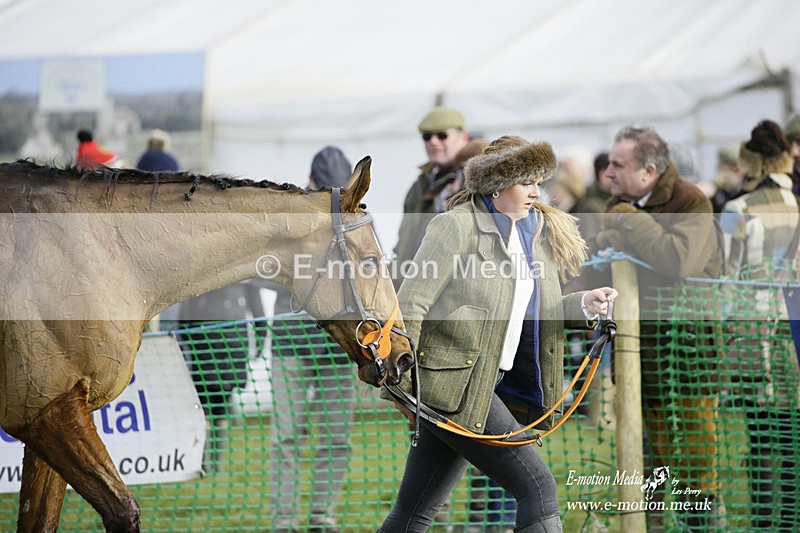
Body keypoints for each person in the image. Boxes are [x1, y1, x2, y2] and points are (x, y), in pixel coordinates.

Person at [379, 135, 617, 533]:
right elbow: (411, 306)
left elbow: (532, 313)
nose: (537, 193)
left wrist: (582, 305)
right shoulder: (454, 226)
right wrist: (402, 386)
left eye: (539, 182)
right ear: (498, 184)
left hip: (488, 384)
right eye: (528, 183)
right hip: (452, 388)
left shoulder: (532, 233)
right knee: (538, 488)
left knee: (413, 512)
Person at [586, 126, 725, 530]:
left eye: (617, 164)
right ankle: (652, 523)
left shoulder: (691, 202)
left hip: (689, 353)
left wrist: (628, 222)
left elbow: (677, 259)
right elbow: (597, 253)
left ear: (648, 171)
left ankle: (704, 523)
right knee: (647, 456)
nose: (608, 173)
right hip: (638, 351)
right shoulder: (621, 202)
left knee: (695, 455)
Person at [269, 145, 359, 533]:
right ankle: (284, 522)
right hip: (290, 344)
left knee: (337, 437)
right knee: (286, 436)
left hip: (339, 347)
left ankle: (323, 517)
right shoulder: (287, 221)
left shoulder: (355, 221)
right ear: (309, 183)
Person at [719, 120, 800, 530]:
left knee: (760, 435)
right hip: (794, 333)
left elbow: (725, 280)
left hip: (754, 333)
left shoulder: (738, 209)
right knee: (790, 436)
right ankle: (788, 521)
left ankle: (765, 521)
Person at [176, 280, 267, 473]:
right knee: (204, 406)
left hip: (231, 347)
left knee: (220, 406)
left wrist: (260, 337)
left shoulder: (246, 274)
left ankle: (214, 465)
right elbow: (185, 317)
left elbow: (258, 311)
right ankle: (203, 462)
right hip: (206, 345)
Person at [393, 105, 470, 288]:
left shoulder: (475, 183)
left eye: (442, 135)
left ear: (463, 137)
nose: (433, 142)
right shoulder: (420, 186)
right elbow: (405, 244)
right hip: (408, 287)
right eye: (427, 136)